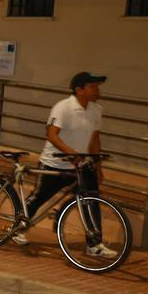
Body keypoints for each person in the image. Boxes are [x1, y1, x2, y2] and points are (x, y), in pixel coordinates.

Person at [12, 72, 115, 258]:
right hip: (55, 163)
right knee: (38, 197)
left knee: (91, 202)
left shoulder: (96, 109)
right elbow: (52, 135)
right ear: (79, 90)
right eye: (92, 86)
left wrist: (98, 166)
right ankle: (18, 228)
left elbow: (94, 139)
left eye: (97, 86)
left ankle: (94, 245)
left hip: (81, 165)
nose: (97, 90)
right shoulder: (63, 107)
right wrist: (71, 154)